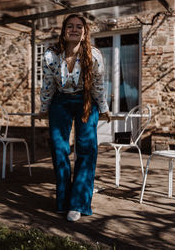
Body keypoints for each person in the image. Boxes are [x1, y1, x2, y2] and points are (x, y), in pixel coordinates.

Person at [39, 14, 111, 222]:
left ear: (85, 32)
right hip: (60, 102)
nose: (74, 29)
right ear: (63, 31)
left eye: (79, 26)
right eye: (69, 26)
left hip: (86, 101)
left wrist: (104, 108)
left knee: (86, 149)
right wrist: (44, 108)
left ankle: (78, 203)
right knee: (59, 149)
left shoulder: (94, 55)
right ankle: (63, 201)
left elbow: (98, 85)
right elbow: (48, 85)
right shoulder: (51, 55)